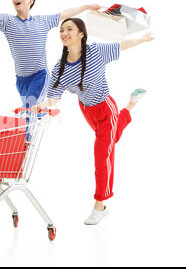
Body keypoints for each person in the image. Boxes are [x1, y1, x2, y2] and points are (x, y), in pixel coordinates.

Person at [32, 18, 154, 225]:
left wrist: (142, 39)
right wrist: (43, 105)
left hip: (106, 108)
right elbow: (54, 98)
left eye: (70, 29)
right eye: (62, 30)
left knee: (102, 154)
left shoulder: (96, 52)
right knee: (111, 140)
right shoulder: (60, 68)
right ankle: (131, 105)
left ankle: (100, 205)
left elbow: (121, 46)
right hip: (86, 111)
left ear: (81, 34)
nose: (64, 33)